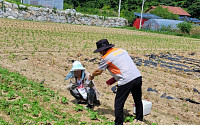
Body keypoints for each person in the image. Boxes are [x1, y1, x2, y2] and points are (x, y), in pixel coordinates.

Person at [89, 39, 143, 124]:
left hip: (126, 80)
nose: (100, 53)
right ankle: (140, 119)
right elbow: (123, 66)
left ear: (103, 50)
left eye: (100, 51)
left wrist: (91, 76)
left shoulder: (106, 57)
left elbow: (98, 72)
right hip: (137, 76)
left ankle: (118, 123)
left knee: (118, 103)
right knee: (137, 100)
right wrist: (115, 78)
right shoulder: (121, 50)